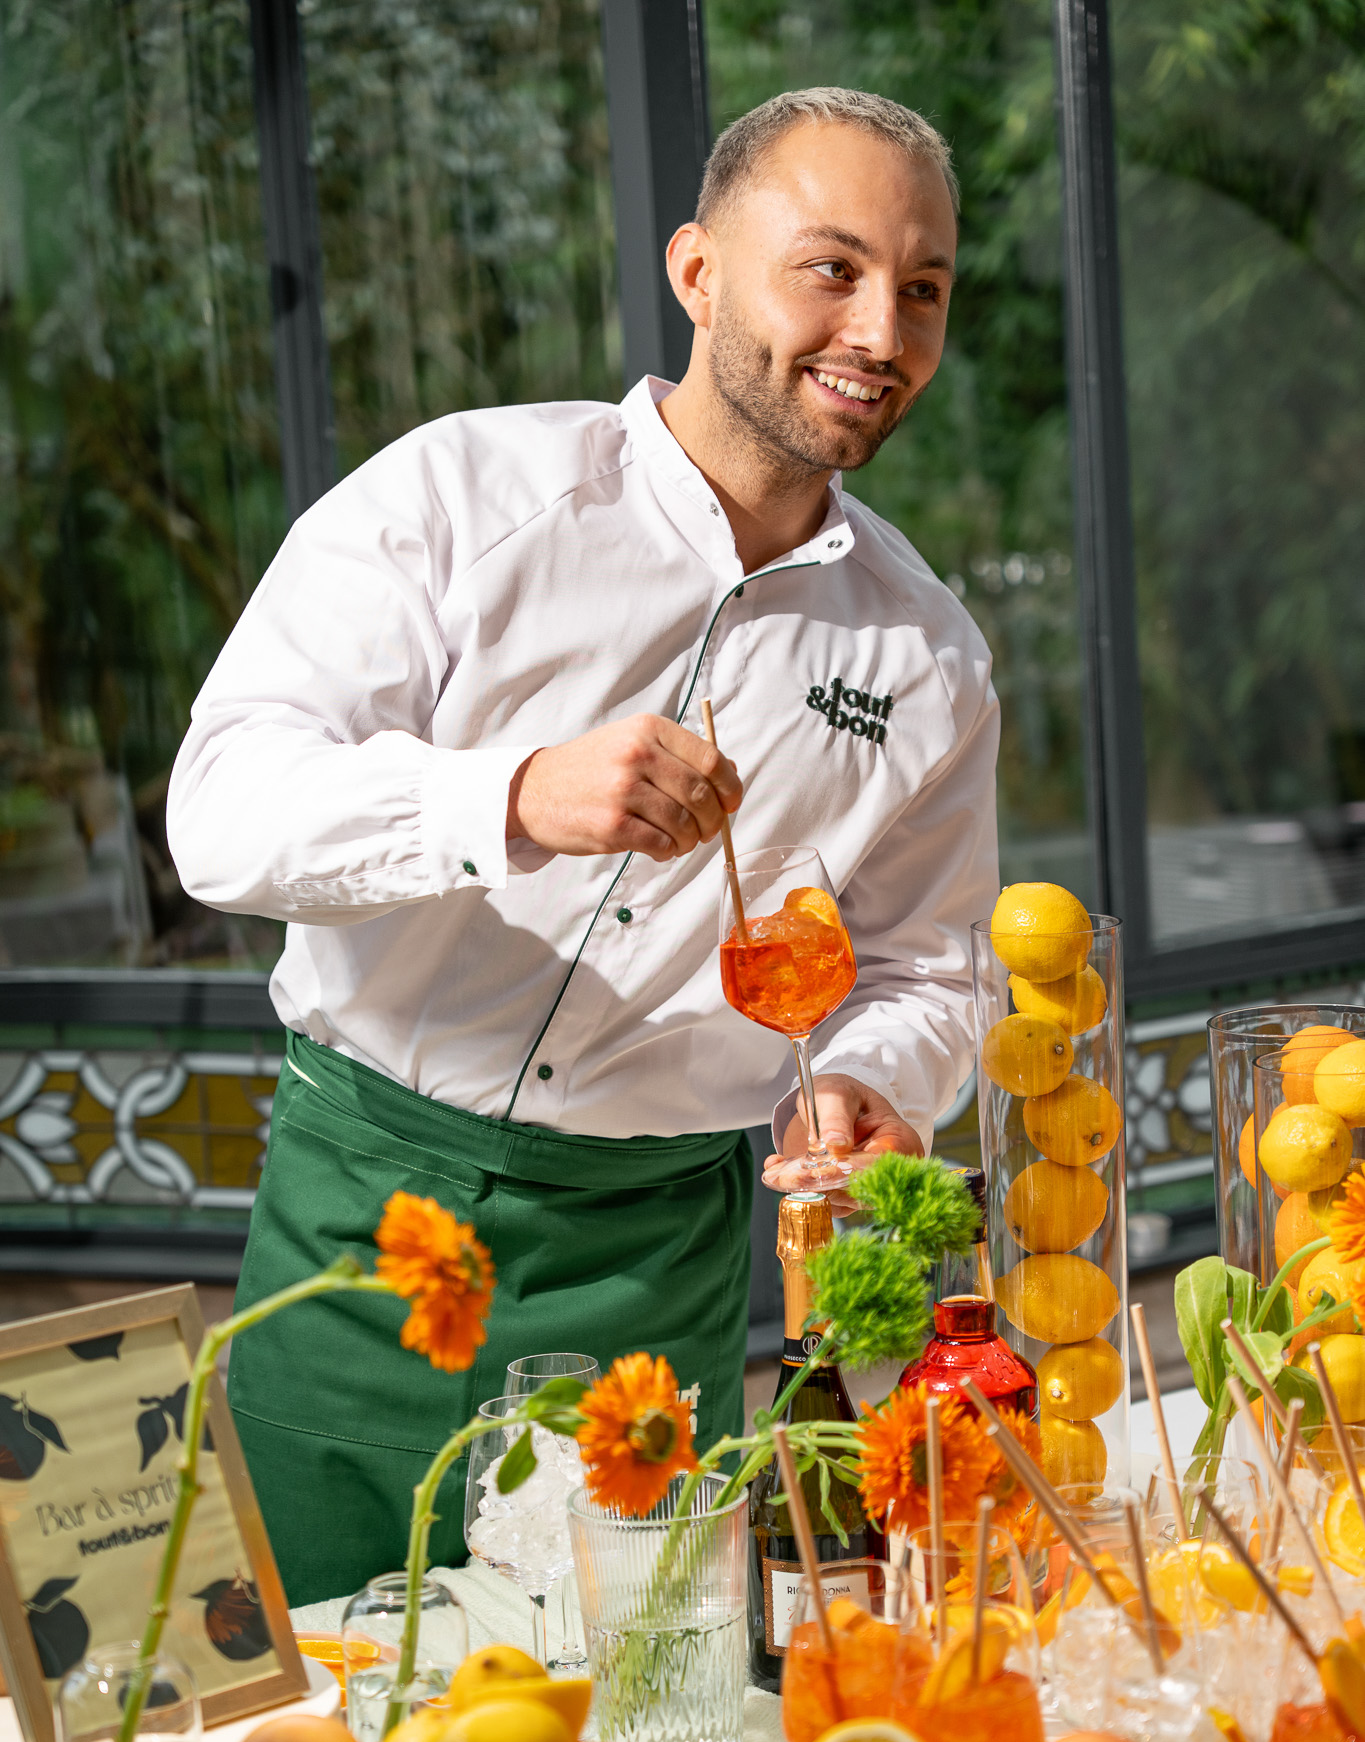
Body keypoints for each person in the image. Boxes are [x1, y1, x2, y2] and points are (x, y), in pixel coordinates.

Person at [167, 86, 999, 1605]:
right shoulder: (458, 496)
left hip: (659, 1263)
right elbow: (221, 813)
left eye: (922, 288)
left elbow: (927, 964)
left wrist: (879, 1075)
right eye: (830, 269)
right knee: (304, 1734)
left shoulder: (928, 656)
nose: (880, 332)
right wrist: (506, 797)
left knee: (631, 1737)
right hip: (368, 1218)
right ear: (696, 273)